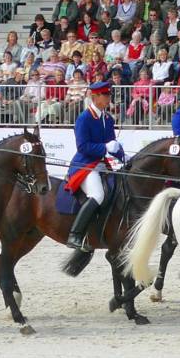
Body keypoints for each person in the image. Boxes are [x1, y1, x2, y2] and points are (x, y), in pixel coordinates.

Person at [63, 81, 126, 252]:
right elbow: (83, 147)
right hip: (85, 165)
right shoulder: (84, 118)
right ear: (95, 96)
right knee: (97, 195)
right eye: (105, 95)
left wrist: (123, 156)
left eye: (109, 95)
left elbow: (112, 144)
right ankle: (75, 235)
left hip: (103, 164)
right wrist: (105, 148)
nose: (108, 98)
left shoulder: (108, 118)